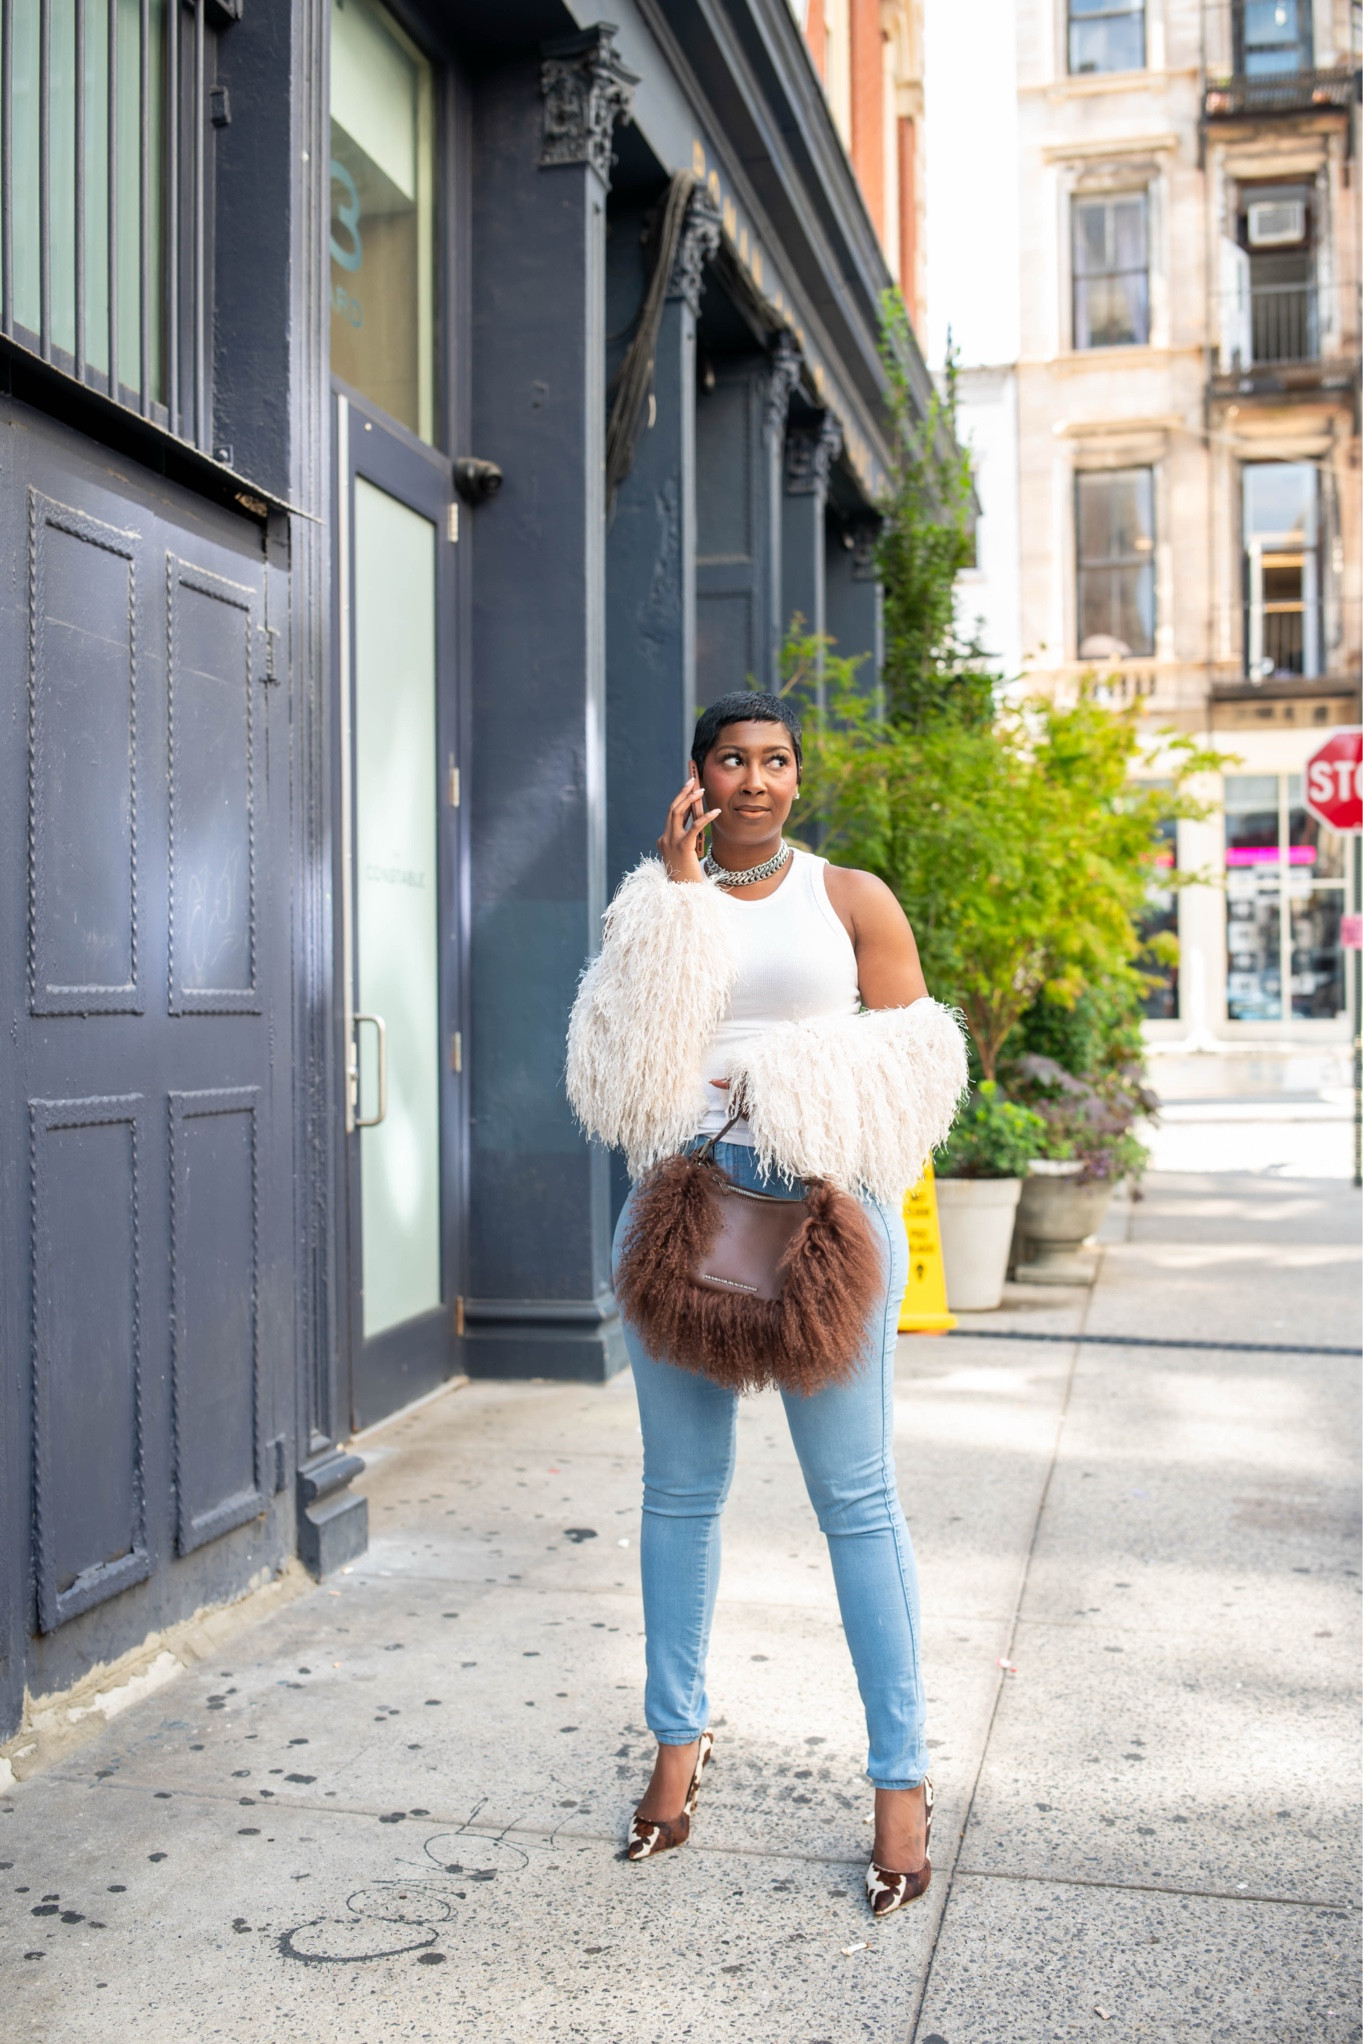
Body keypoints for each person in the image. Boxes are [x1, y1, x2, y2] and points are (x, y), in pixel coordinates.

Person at [566, 690, 966, 1918]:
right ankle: (676, 1747)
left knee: (856, 1501)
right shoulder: (653, 903)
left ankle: (900, 1783)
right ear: (697, 776)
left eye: (774, 759)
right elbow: (620, 1054)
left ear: (798, 775)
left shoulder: (850, 896)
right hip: (678, 1217)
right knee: (678, 1494)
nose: (753, 778)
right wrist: (675, 899)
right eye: (731, 759)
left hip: (817, 1220)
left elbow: (914, 1066)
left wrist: (789, 1090)